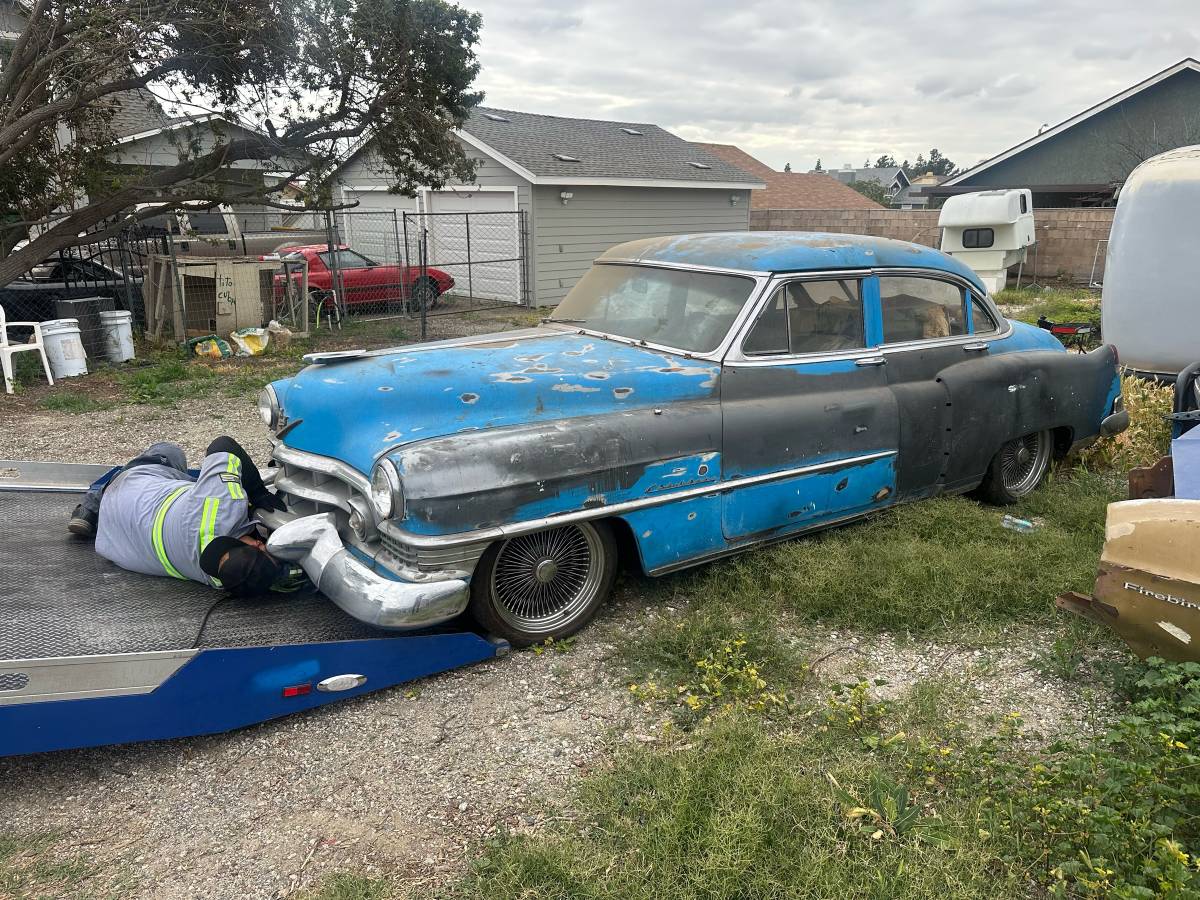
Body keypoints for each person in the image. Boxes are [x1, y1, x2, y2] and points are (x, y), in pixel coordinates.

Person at [69, 436, 290, 596]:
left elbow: (223, 444)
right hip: (113, 534)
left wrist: (258, 492)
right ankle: (95, 508)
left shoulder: (222, 506)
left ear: (259, 546)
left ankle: (89, 507)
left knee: (168, 451)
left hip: (128, 488)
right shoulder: (217, 579)